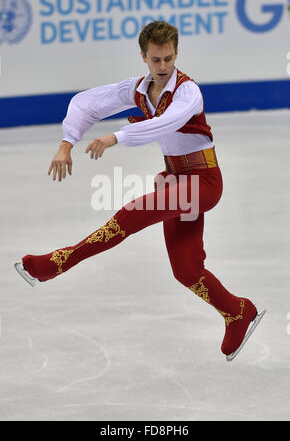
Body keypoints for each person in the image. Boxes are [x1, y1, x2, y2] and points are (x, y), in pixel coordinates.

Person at [14, 20, 265, 361]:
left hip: (203, 180)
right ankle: (238, 311)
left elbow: (166, 122)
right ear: (144, 57)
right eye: (156, 60)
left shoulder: (188, 92)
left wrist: (117, 137)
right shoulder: (136, 89)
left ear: (176, 54)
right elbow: (86, 103)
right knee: (186, 271)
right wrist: (66, 142)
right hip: (175, 177)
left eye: (169, 59)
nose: (163, 67)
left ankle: (57, 264)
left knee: (129, 216)